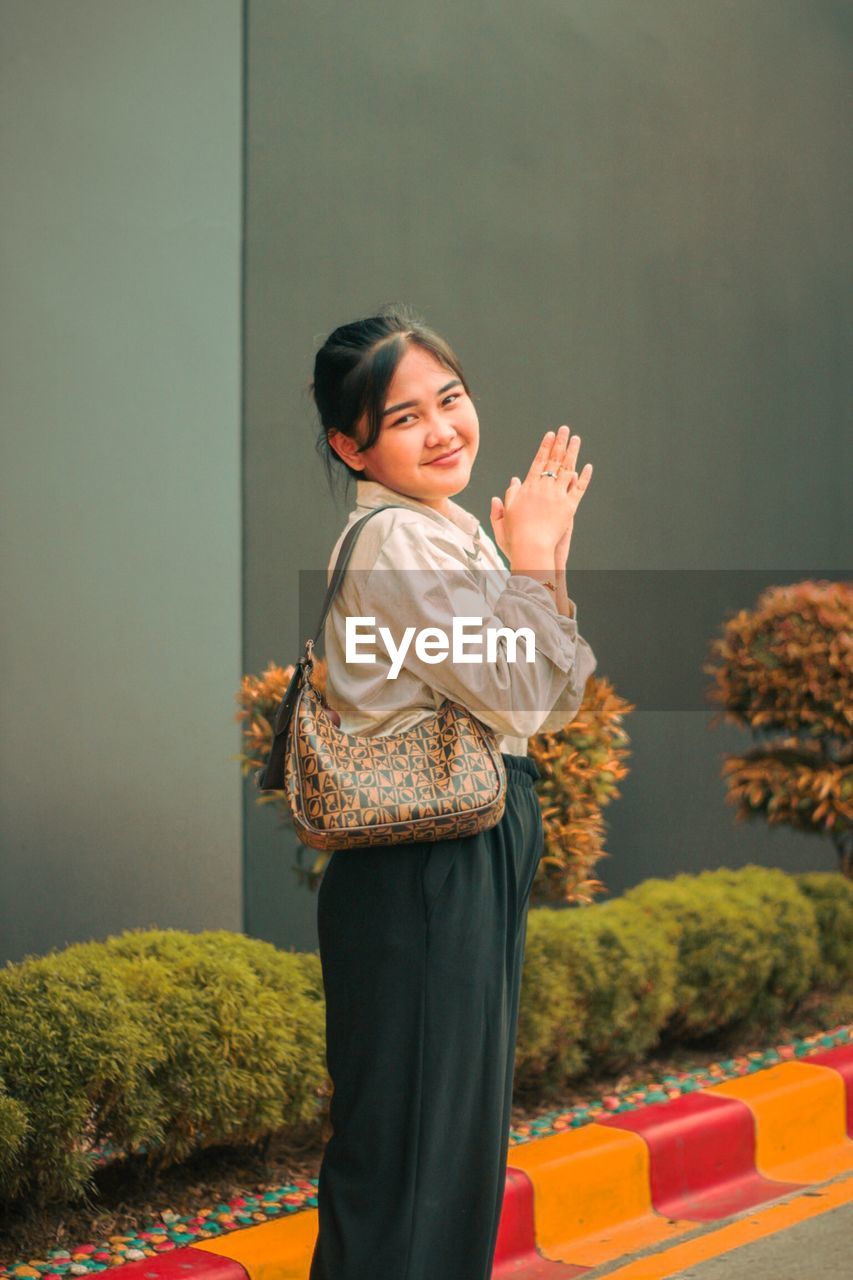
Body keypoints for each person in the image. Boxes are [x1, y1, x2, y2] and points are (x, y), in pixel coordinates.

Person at [307, 303, 597, 1280]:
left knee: (452, 1150)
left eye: (451, 398)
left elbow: (558, 697)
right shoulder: (398, 545)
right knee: (411, 1158)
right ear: (352, 446)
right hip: (420, 862)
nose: (442, 429)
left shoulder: (450, 530)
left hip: (473, 833)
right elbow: (524, 685)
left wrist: (539, 563)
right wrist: (530, 562)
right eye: (402, 418)